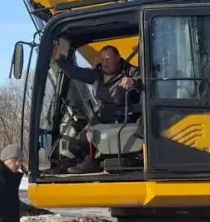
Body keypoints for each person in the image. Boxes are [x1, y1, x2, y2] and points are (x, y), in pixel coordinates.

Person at [51, 39, 142, 173]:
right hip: (99, 119)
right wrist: (59, 58)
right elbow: (74, 72)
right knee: (75, 145)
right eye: (103, 59)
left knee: (91, 140)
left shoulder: (129, 72)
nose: (105, 62)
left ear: (118, 58)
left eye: (109, 59)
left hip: (120, 120)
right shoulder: (97, 74)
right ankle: (67, 165)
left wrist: (133, 82)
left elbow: (143, 80)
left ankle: (92, 162)